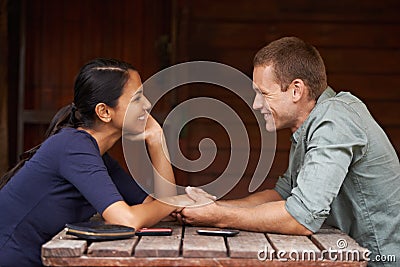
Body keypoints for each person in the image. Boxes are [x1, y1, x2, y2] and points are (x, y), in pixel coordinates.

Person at [180, 37, 400, 265]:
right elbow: (283, 195)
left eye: (264, 94)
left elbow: (301, 217)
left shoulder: (334, 121)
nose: (256, 104)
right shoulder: (310, 125)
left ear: (296, 90)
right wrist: (214, 207)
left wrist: (219, 217)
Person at [0, 58, 211, 267]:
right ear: (104, 112)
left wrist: (157, 140)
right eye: (137, 98)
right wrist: (176, 201)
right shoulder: (73, 147)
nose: (147, 104)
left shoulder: (95, 155)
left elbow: (155, 207)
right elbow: (125, 220)